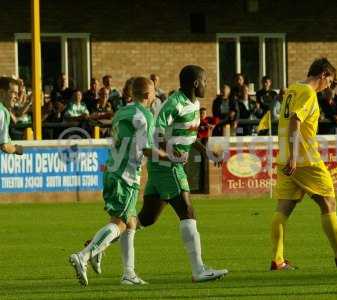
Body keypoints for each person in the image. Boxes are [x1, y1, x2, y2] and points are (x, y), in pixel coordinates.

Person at [69, 77, 172, 287]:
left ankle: (128, 273)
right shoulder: (145, 116)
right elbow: (146, 149)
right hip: (126, 176)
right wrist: (170, 156)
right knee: (120, 223)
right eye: (153, 92)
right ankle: (85, 255)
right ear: (146, 95)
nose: (155, 95)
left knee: (131, 222)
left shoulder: (122, 111)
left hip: (111, 171)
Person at [271, 58, 337, 270]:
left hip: (285, 157)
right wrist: (295, 156)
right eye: (330, 81)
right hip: (304, 160)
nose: (329, 86)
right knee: (329, 203)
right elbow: (296, 121)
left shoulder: (292, 90)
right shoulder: (307, 93)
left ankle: (278, 260)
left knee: (283, 208)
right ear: (324, 74)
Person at [139, 65, 228, 282]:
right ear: (196, 83)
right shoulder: (174, 103)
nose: (207, 85)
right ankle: (199, 270)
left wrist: (204, 151)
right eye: (205, 82)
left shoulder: (194, 104)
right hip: (168, 166)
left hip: (165, 166)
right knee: (188, 212)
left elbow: (187, 136)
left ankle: (95, 246)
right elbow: (156, 133)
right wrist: (171, 152)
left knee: (146, 219)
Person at [0, 77, 24, 155]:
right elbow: (5, 147)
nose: (17, 97)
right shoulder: (2, 112)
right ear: (2, 93)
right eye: (14, 93)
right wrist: (16, 149)